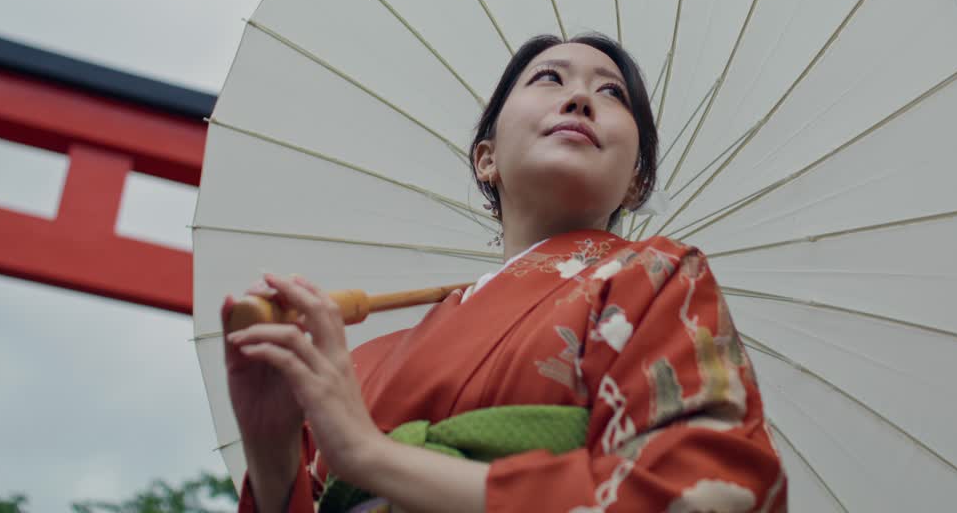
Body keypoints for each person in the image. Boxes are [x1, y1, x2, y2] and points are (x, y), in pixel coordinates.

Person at [223, 34, 787, 512]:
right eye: (549, 78)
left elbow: (706, 490)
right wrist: (273, 456)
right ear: (485, 158)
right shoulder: (359, 364)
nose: (580, 99)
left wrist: (373, 458)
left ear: (637, 183)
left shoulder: (657, 281)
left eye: (611, 92)